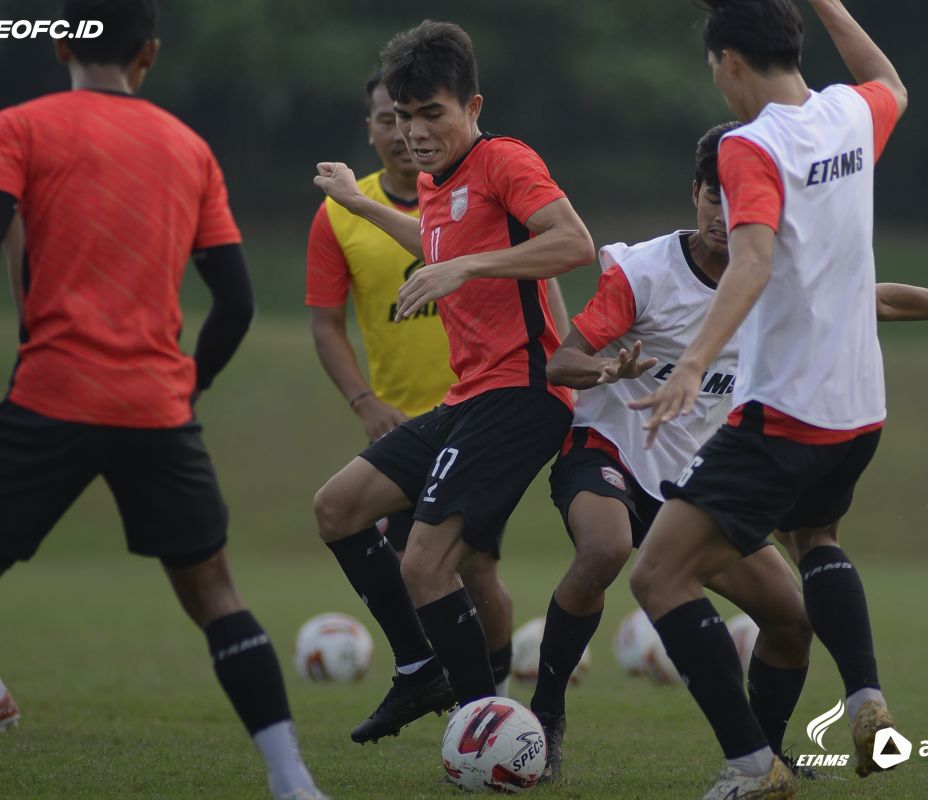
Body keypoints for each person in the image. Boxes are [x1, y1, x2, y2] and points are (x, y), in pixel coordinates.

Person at [532, 120, 928, 784]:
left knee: (791, 620)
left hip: (697, 482)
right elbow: (563, 363)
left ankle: (765, 758)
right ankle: (546, 719)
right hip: (609, 449)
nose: (724, 213)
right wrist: (606, 373)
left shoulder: (775, 274)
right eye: (712, 195)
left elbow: (877, 301)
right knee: (604, 548)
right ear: (694, 192)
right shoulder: (643, 275)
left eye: (737, 198)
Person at [0, 2, 325, 798]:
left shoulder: (21, 128)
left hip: (55, 392)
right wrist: (190, 381)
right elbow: (237, 303)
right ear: (149, 54)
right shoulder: (190, 148)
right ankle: (293, 782)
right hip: (156, 407)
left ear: (63, 45)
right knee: (216, 595)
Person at [627, 0, 907, 795]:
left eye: (713, 66)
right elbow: (890, 80)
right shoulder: (851, 113)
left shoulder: (749, 147)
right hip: (860, 410)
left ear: (730, 62)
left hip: (784, 413)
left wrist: (692, 366)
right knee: (815, 535)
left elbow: (748, 266)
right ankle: (866, 699)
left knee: (659, 577)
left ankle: (754, 767)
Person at [310, 19, 593, 737]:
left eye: (431, 113)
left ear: (473, 105)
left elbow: (573, 242)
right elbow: (438, 242)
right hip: (467, 397)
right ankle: (418, 670)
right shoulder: (439, 184)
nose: (414, 133)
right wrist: (363, 204)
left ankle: (485, 729)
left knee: (427, 564)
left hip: (523, 393)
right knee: (338, 507)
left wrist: (465, 267)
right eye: (403, 118)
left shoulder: (503, 160)